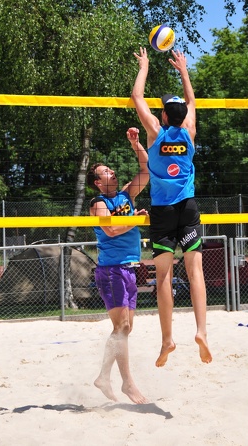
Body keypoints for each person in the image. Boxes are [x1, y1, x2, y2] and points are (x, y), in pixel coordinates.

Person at [131, 46, 212, 367]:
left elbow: (138, 97)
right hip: (188, 207)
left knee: (163, 276)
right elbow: (191, 103)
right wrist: (184, 70)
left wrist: (145, 66)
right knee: (196, 273)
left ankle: (167, 340)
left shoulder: (155, 133)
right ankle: (202, 331)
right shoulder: (189, 132)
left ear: (164, 115)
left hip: (163, 211)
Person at [86, 127, 149, 404]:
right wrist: (135, 219)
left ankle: (104, 376)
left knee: (125, 329)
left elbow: (147, 170)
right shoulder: (98, 203)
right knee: (121, 328)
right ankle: (127, 383)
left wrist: (136, 144)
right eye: (106, 172)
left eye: (111, 169)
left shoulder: (125, 195)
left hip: (130, 267)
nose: (112, 172)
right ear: (98, 183)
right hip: (111, 270)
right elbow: (111, 231)